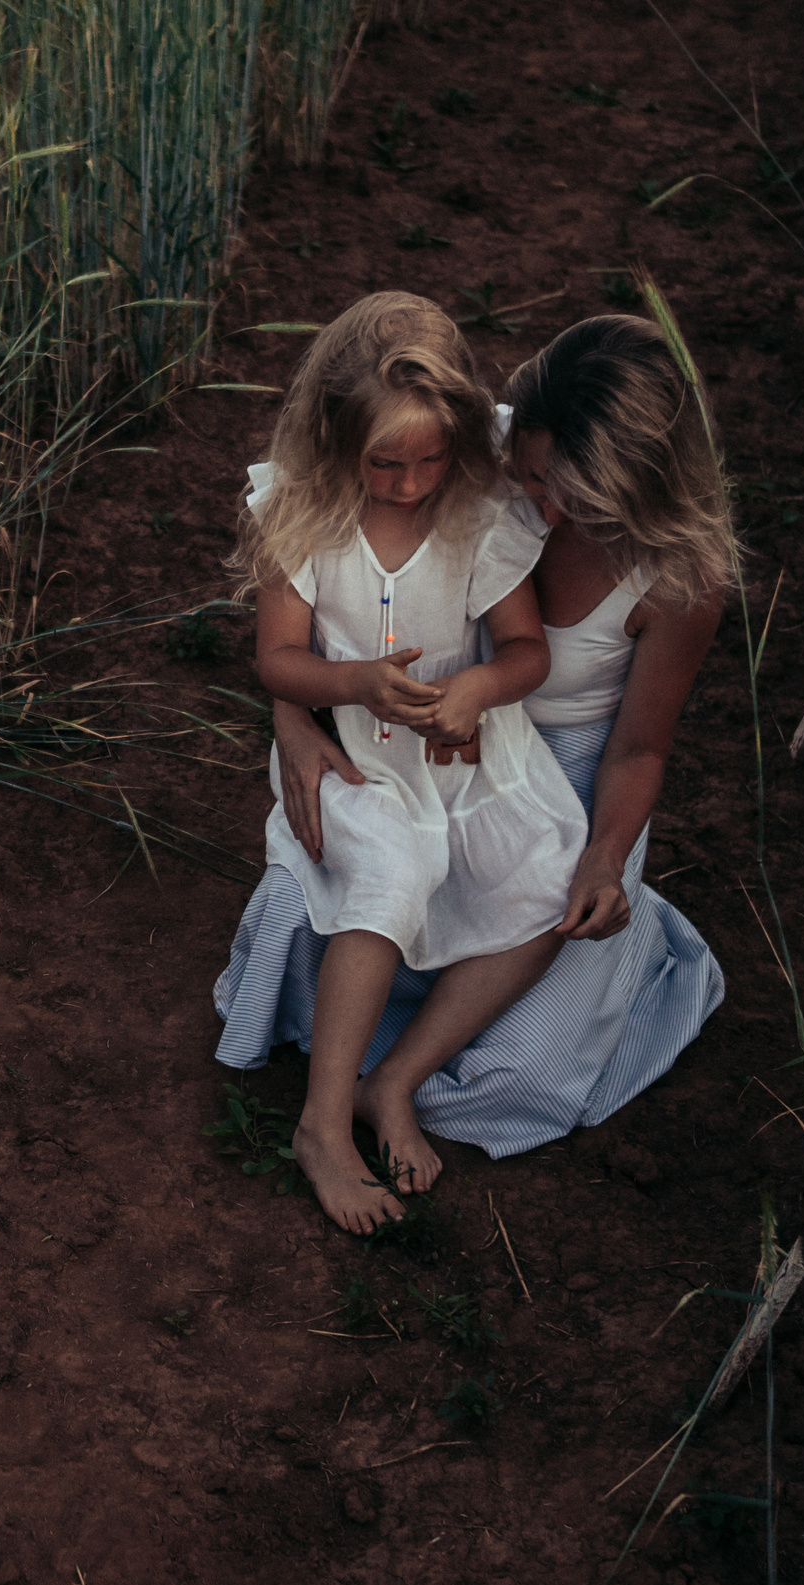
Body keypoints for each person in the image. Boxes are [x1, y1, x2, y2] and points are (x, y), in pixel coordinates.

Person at [216, 312, 732, 1172]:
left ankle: (396, 1081)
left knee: (513, 1064)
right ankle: (336, 1098)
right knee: (364, 905)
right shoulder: (460, 447)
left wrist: (604, 856)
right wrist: (295, 720)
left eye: (586, 501)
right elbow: (317, 613)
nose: (549, 512)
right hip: (396, 746)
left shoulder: (682, 579)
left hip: (558, 770)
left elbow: (638, 750)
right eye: (534, 478)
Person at [227, 292, 586, 1234]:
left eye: (430, 459)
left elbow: (524, 651)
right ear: (334, 442)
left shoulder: (475, 513)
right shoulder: (299, 515)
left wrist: (474, 692)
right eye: (384, 462)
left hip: (463, 749)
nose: (409, 482)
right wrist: (352, 683)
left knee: (548, 873)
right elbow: (276, 659)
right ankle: (319, 1126)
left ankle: (396, 1080)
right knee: (393, 870)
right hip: (357, 755)